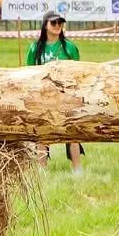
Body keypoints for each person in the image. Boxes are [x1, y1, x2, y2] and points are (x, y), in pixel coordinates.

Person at [26, 13, 83, 165]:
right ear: (45, 25)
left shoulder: (69, 47)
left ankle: (78, 170)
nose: (58, 26)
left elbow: (78, 73)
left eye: (60, 23)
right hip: (42, 97)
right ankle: (41, 170)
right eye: (54, 23)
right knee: (42, 134)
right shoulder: (35, 48)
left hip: (66, 96)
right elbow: (28, 74)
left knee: (72, 133)